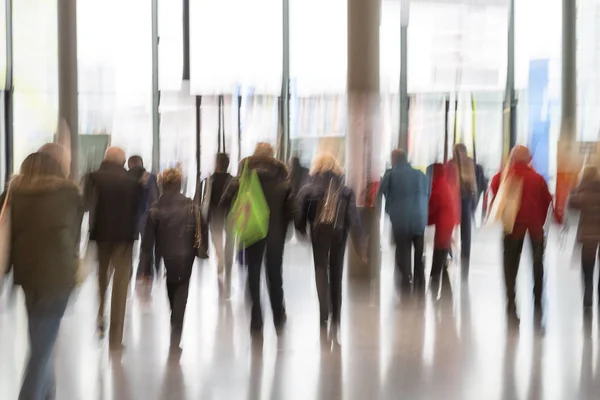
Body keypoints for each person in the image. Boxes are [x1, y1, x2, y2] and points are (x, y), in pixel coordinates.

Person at [8, 147, 82, 400]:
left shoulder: (13, 194)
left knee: (42, 344)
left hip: (28, 278)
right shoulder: (69, 193)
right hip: (58, 278)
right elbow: (74, 237)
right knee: (41, 352)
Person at [220, 142, 293, 335]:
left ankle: (256, 319)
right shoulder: (282, 176)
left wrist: (236, 212)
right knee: (274, 274)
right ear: (273, 155)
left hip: (252, 229)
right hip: (275, 232)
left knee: (253, 272)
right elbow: (291, 208)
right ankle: (278, 314)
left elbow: (225, 200)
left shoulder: (244, 174)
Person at [295, 153, 365, 328]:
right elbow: (354, 219)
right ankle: (337, 316)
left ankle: (323, 312)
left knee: (320, 269)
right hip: (339, 233)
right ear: (337, 168)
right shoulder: (346, 190)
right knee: (336, 273)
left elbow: (298, 210)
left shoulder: (308, 188)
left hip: (319, 233)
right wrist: (360, 246)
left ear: (316, 167)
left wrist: (301, 228)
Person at [489, 145, 555, 320]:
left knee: (510, 265)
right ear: (529, 159)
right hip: (535, 227)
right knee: (537, 263)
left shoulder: (504, 176)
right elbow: (548, 201)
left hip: (512, 226)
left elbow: (495, 189)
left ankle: (511, 301)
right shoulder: (537, 178)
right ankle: (538, 301)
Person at [84, 147, 141, 350]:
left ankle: (100, 317)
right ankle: (116, 338)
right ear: (123, 161)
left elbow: (87, 205)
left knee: (102, 279)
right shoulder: (132, 182)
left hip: (101, 236)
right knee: (121, 284)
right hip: (125, 238)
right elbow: (137, 211)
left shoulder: (92, 177)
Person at [140, 168, 198, 350]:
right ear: (180, 184)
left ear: (161, 184)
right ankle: (176, 332)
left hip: (167, 255)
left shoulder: (155, 208)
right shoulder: (190, 205)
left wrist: (146, 269)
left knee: (173, 285)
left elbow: (147, 243)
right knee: (181, 289)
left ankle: (175, 323)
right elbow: (201, 227)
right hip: (187, 254)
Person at [378, 149, 429, 286]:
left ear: (394, 159)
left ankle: (407, 278)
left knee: (403, 250)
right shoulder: (420, 174)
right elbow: (426, 193)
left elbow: (380, 191)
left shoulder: (391, 174)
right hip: (419, 218)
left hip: (401, 219)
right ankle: (419, 276)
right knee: (418, 250)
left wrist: (387, 208)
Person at [199, 153, 234, 293]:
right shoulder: (233, 180)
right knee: (230, 239)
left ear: (218, 163)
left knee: (217, 238)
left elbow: (206, 199)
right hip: (231, 213)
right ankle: (227, 259)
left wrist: (204, 216)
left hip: (215, 213)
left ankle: (220, 259)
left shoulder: (210, 179)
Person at [568, 165, 600, 309]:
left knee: (587, 270)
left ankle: (587, 299)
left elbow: (571, 205)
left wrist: (574, 189)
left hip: (587, 237)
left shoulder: (581, 192)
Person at [445, 144, 477, 279]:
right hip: (466, 200)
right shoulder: (469, 163)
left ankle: (450, 253)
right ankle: (465, 261)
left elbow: (447, 182)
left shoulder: (450, 164)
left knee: (447, 229)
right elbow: (474, 184)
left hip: (453, 199)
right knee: (466, 234)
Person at [128, 156, 159, 279]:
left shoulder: (125, 177)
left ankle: (127, 272)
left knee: (127, 246)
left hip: (129, 216)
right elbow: (154, 197)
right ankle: (144, 272)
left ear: (129, 165)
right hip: (146, 216)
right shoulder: (151, 178)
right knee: (146, 246)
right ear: (141, 163)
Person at [428, 163, 457, 282]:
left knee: (440, 247)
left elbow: (432, 207)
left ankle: (435, 274)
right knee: (442, 246)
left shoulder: (437, 187)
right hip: (447, 221)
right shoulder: (443, 184)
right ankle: (438, 272)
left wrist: (425, 220)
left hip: (443, 222)